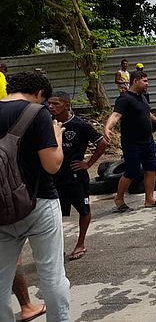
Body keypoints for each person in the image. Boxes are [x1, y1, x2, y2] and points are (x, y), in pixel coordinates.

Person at [0, 71, 70, 321]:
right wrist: (58, 140)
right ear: (40, 94)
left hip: (1, 209)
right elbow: (52, 165)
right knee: (52, 275)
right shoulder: (37, 113)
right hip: (38, 203)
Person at [48, 91, 108, 261]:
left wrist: (88, 164)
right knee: (55, 214)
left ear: (66, 105)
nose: (51, 106)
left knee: (83, 209)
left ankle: (80, 243)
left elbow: (102, 143)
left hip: (75, 177)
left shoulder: (80, 125)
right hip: (54, 177)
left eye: (55, 104)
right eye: (49, 103)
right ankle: (57, 248)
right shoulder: (47, 124)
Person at [104, 70, 156, 212]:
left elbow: (145, 111)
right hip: (132, 143)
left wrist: (155, 119)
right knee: (131, 172)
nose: (147, 84)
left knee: (150, 169)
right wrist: (107, 127)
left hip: (148, 141)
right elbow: (115, 115)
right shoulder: (124, 99)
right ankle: (119, 199)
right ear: (135, 81)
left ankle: (149, 199)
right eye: (145, 81)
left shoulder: (142, 97)